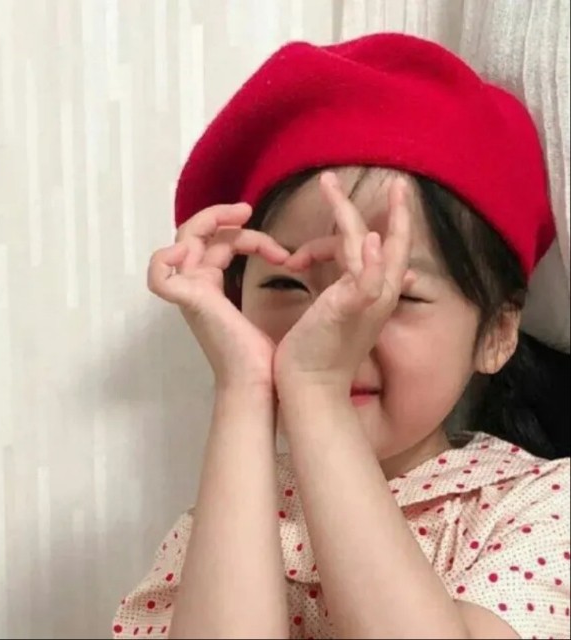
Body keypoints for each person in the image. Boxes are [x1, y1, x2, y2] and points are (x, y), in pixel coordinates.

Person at [113, 33, 570, 639]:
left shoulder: (537, 505)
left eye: (391, 294)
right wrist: (244, 386)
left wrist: (317, 390)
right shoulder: (231, 512)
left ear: (497, 331)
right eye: (286, 284)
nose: (329, 327)